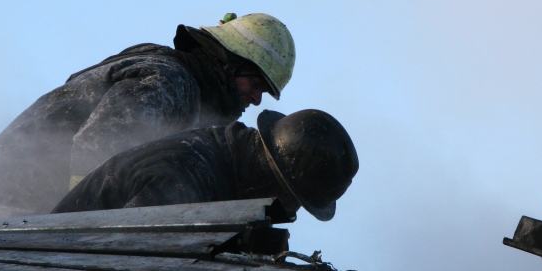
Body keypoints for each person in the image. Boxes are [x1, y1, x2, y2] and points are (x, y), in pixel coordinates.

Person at [0, 13, 296, 221]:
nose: (255, 99)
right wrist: (89, 238)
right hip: (12, 215)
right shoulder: (170, 82)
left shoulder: (177, 84)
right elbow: (99, 145)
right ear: (229, 62)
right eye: (254, 84)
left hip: (4, 215)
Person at [52, 109, 359, 221]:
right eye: (293, 201)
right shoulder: (186, 175)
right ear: (271, 176)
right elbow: (129, 262)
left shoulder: (223, 163)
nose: (289, 213)